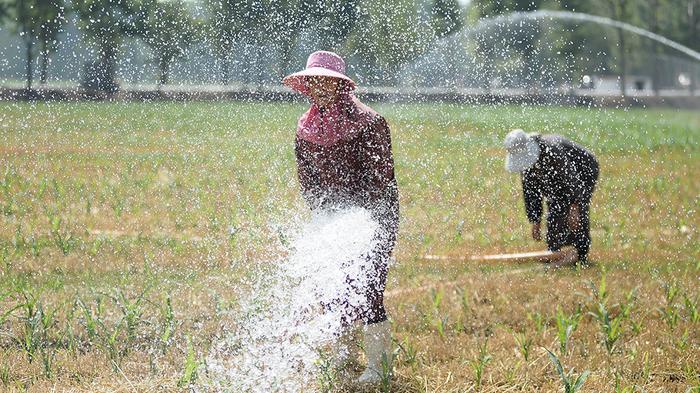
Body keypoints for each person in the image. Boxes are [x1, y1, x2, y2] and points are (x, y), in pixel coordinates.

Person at [282, 50, 399, 383]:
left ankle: (378, 367)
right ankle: (344, 355)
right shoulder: (305, 127)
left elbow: (379, 178)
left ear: (340, 85)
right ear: (307, 84)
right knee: (335, 288)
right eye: (314, 80)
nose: (320, 86)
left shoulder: (370, 122)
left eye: (327, 81)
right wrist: (324, 217)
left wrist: (355, 222)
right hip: (332, 216)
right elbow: (308, 180)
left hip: (374, 216)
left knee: (369, 286)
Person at [504, 129, 599, 266]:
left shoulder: (552, 152)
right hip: (568, 177)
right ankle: (555, 250)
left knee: (572, 212)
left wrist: (574, 207)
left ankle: (580, 252)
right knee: (556, 207)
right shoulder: (526, 164)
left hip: (583, 169)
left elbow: (572, 181)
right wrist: (535, 220)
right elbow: (531, 193)